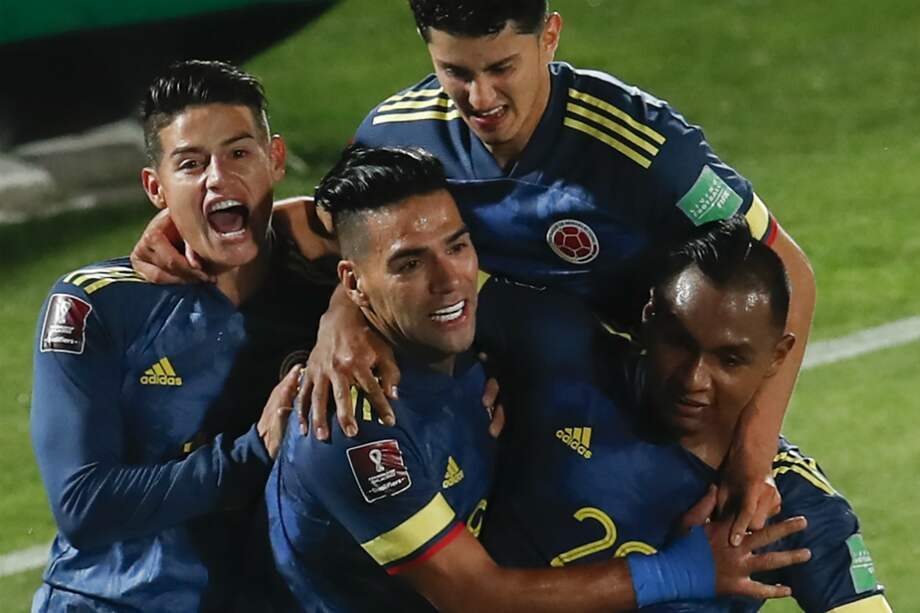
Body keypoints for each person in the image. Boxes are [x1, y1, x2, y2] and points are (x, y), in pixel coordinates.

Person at [130, 2, 816, 540]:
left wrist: (751, 458)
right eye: (454, 71)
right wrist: (198, 228)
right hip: (503, 396)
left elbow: (787, 268)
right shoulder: (399, 129)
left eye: (501, 67)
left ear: (549, 36)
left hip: (639, 394)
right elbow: (334, 228)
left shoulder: (644, 148)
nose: (479, 96)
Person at [266, 145, 810, 613]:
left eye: (457, 247)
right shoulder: (353, 424)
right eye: (409, 264)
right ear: (355, 282)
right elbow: (476, 596)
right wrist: (681, 573)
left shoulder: (474, 339)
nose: (449, 281)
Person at [30, 60, 331, 612]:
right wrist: (251, 453)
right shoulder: (95, 303)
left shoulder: (327, 294)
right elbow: (83, 506)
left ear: (276, 160)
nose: (218, 178)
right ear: (156, 187)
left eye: (239, 153)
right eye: (191, 164)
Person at [475, 216, 891, 612]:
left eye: (729, 360)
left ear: (777, 356)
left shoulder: (788, 506)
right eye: (680, 343)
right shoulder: (561, 352)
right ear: (649, 315)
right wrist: (459, 366)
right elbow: (427, 292)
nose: (693, 379)